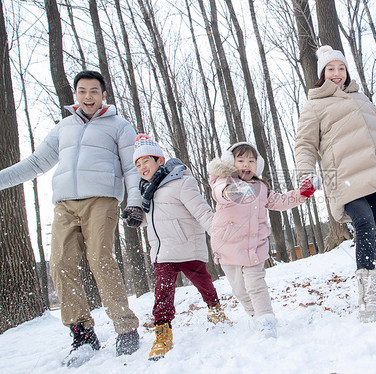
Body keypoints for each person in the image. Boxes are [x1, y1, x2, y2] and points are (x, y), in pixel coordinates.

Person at [0, 71, 142, 364]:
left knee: (100, 259)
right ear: (75, 95)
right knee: (61, 264)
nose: (88, 96)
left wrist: (136, 203)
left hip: (101, 200)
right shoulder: (63, 127)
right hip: (65, 204)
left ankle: (125, 328)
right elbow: (37, 163)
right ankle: (82, 332)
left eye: (93, 91)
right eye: (82, 91)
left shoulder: (119, 126)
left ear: (103, 94)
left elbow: (131, 167)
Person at [294, 46, 376, 323]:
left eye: (341, 68)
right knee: (364, 224)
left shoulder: (360, 98)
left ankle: (371, 255)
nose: (337, 74)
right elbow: (305, 144)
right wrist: (305, 174)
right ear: (322, 74)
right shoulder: (314, 106)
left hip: (373, 175)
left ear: (347, 73)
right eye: (330, 69)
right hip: (344, 177)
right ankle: (368, 293)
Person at [131, 134, 230, 361]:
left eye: (146, 161)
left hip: (187, 246)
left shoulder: (181, 181)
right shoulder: (146, 191)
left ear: (160, 161)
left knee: (203, 282)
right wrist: (136, 217)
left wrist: (220, 237)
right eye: (137, 164)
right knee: (162, 292)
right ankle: (163, 332)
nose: (142, 167)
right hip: (162, 252)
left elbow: (202, 211)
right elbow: (152, 219)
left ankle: (215, 309)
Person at [207, 142, 320, 338]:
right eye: (240, 160)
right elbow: (220, 193)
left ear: (257, 165)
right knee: (240, 290)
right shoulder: (223, 182)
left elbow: (282, 201)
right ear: (230, 163)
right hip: (229, 248)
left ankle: (266, 320)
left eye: (251, 160)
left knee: (256, 285)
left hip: (254, 248)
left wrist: (303, 193)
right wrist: (233, 191)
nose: (246, 164)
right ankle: (254, 315)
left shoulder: (260, 188)